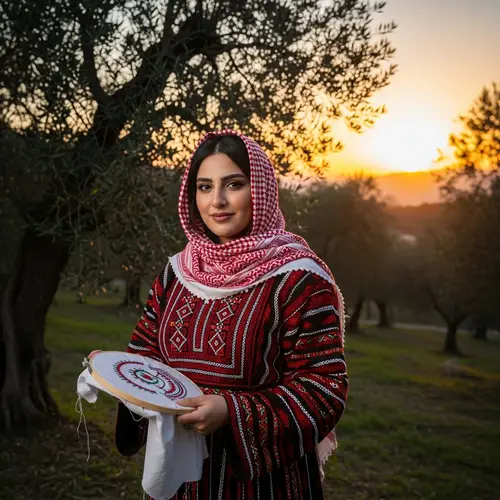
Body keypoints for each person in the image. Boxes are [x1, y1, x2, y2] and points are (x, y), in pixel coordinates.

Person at [115, 130, 349, 500]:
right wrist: (115, 373)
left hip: (264, 485)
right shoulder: (177, 272)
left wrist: (231, 411)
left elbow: (323, 390)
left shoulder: (300, 279)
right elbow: (145, 351)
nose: (217, 201)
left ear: (261, 191)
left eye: (234, 184)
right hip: (179, 480)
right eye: (204, 187)